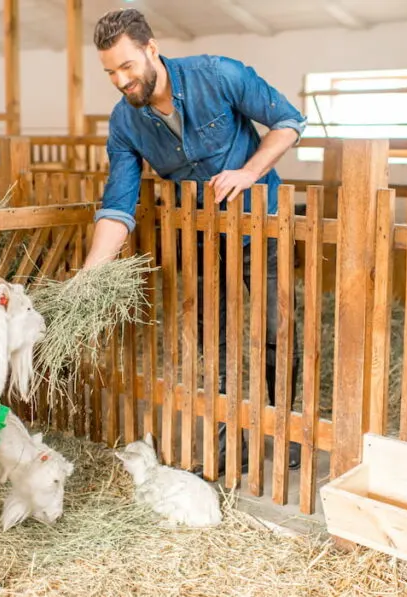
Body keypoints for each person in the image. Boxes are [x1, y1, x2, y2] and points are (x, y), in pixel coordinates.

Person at [82, 8, 306, 477]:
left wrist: (249, 172)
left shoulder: (218, 75)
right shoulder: (126, 123)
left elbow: (288, 120)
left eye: (126, 66)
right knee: (216, 340)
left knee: (275, 331)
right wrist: (91, 270)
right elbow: (119, 203)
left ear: (151, 50)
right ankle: (231, 443)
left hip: (259, 226)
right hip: (203, 240)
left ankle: (286, 430)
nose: (121, 80)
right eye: (110, 73)